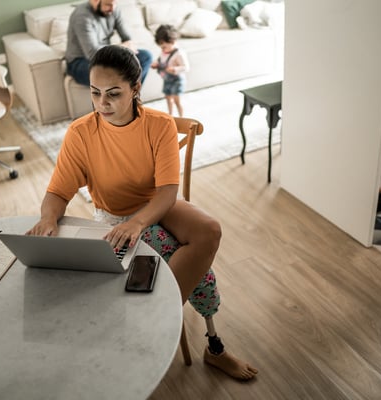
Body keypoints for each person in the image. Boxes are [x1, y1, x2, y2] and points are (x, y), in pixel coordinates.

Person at [27, 45, 258, 381]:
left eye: (113, 94)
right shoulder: (81, 133)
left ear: (136, 88)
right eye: (94, 93)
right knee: (196, 268)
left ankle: (150, 324)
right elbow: (58, 192)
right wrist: (49, 217)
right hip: (113, 216)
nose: (102, 103)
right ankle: (211, 345)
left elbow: (166, 192)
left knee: (209, 230)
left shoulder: (159, 125)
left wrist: (139, 221)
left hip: (155, 206)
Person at [65, 0, 152, 86]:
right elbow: (92, 54)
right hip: (81, 62)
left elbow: (126, 38)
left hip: (107, 57)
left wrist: (130, 45)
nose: (112, 8)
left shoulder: (113, 9)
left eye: (114, 4)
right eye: (108, 5)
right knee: (112, 71)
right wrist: (122, 48)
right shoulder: (82, 16)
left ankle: (130, 97)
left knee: (145, 57)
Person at [151, 24, 189, 117]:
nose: (162, 47)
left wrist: (175, 69)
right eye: (160, 45)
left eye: (164, 45)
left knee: (177, 100)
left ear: (173, 41)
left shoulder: (179, 53)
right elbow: (160, 59)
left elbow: (186, 67)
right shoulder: (163, 51)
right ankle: (170, 115)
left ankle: (181, 117)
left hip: (177, 80)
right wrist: (155, 63)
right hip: (167, 80)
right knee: (168, 98)